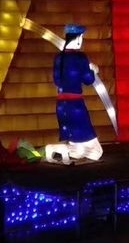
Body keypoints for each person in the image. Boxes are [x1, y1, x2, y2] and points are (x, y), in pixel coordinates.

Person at [44, 24, 103, 165]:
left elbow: (57, 81)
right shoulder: (80, 57)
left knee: (78, 149)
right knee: (96, 152)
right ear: (78, 38)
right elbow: (88, 80)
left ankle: (55, 149)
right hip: (76, 106)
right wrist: (93, 70)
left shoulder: (59, 58)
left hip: (61, 106)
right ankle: (61, 150)